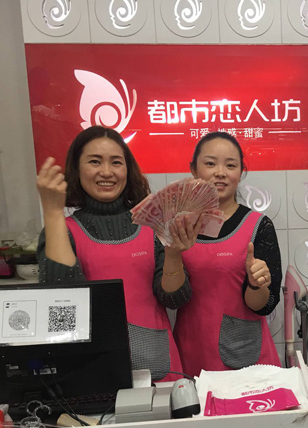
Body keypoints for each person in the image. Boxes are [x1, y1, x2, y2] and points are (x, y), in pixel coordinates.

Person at [36, 126, 199, 383]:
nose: (106, 172)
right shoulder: (61, 230)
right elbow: (61, 310)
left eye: (116, 162)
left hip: (158, 370)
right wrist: (53, 211)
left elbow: (175, 298)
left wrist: (174, 255)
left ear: (128, 169)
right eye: (94, 161)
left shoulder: (151, 225)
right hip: (92, 373)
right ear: (77, 169)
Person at [172, 131, 282, 377]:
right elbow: (170, 296)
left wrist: (256, 284)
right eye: (210, 164)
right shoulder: (179, 226)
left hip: (246, 359)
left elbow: (263, 305)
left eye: (230, 165)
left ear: (240, 172)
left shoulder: (259, 226)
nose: (220, 172)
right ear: (193, 170)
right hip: (191, 350)